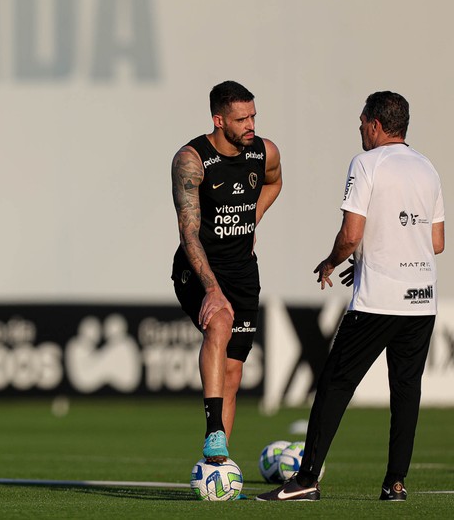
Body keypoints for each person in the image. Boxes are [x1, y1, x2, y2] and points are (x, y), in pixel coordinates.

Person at [258, 91, 444, 502]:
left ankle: (306, 479)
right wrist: (374, 255)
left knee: (334, 385)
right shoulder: (427, 168)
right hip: (422, 301)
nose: (359, 127)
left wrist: (331, 261)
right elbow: (435, 241)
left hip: (379, 301)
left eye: (362, 121)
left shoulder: (366, 163)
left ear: (376, 124)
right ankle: (395, 484)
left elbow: (351, 235)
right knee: (406, 392)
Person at [170, 81, 283, 464]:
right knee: (219, 322)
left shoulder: (264, 151)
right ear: (219, 120)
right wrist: (213, 291)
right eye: (241, 118)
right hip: (198, 269)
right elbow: (189, 234)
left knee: (233, 374)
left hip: (243, 272)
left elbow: (275, 180)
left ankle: (216, 468)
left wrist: (254, 217)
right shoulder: (191, 159)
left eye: (253, 115)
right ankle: (214, 433)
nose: (250, 124)